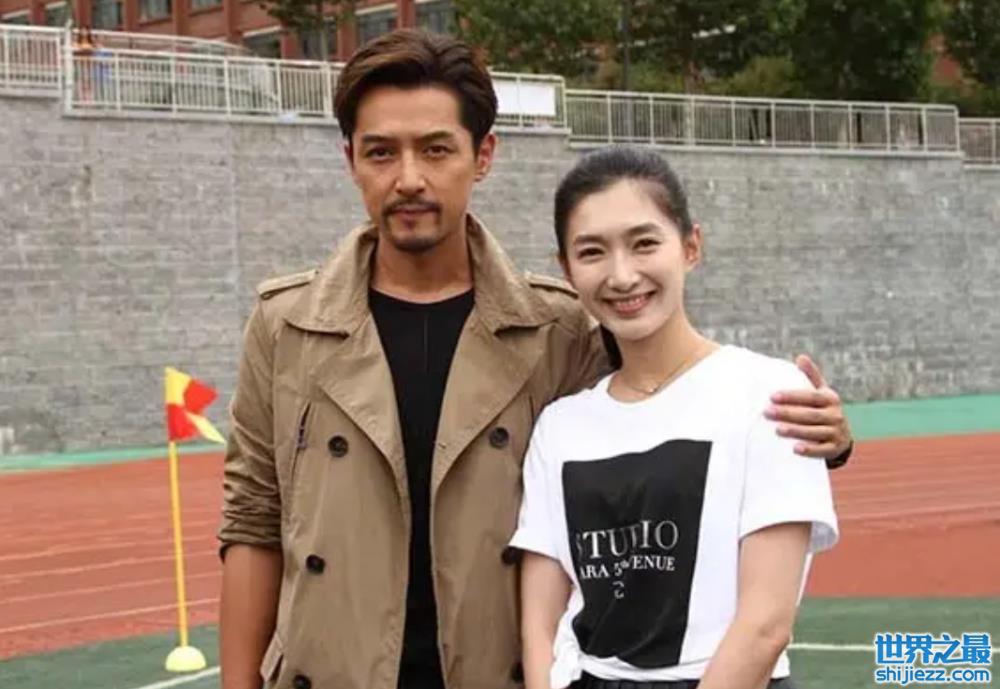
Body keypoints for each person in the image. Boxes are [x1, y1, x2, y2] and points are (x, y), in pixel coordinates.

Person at [217, 29, 853, 689]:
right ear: (350, 159)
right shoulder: (286, 326)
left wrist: (826, 439)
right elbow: (252, 519)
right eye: (381, 152)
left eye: (436, 149)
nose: (409, 179)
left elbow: (661, 406)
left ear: (483, 155)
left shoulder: (558, 328)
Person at [512, 147, 839, 689]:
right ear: (566, 270)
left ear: (690, 246)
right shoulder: (559, 426)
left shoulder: (770, 395)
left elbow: (765, 626)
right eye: (592, 252)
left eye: (644, 243)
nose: (622, 275)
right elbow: (539, 624)